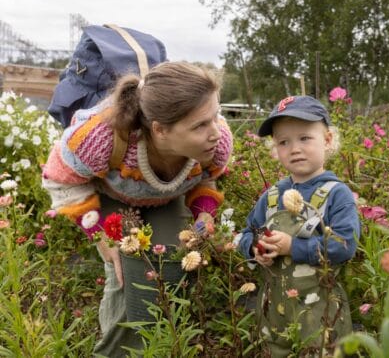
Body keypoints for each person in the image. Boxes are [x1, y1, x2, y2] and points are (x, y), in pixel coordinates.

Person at [41, 61, 233, 357]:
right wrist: (100, 236)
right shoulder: (99, 137)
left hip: (168, 198)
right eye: (200, 125)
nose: (216, 132)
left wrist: (205, 213)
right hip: (109, 199)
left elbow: (208, 180)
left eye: (215, 116)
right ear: (160, 130)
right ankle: (115, 350)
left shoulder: (217, 144)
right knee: (125, 275)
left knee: (175, 265)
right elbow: (60, 181)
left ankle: (165, 345)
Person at [238, 95, 360, 357]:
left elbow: (344, 245)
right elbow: (248, 233)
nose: (294, 148)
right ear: (275, 149)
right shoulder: (271, 197)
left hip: (321, 312)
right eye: (284, 142)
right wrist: (256, 248)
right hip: (274, 312)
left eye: (305, 138)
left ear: (327, 140)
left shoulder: (336, 194)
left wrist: (293, 246)